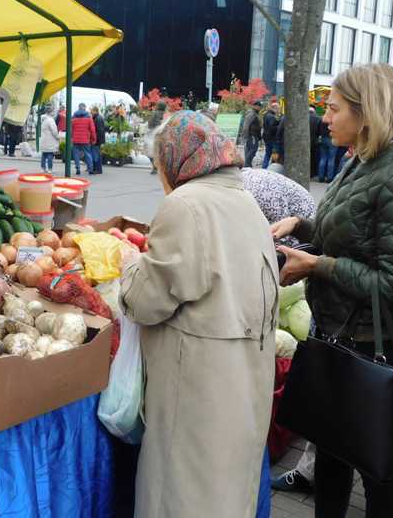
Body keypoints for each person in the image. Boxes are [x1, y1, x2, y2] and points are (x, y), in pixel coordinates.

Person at [273, 63, 393, 518]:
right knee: (332, 461)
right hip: (336, 337)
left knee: (380, 478)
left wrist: (317, 264)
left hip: (372, 348)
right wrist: (302, 225)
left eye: (334, 109)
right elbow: (349, 232)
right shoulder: (361, 158)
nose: (326, 119)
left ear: (366, 111)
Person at [120, 111, 278, 518]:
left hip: (197, 390)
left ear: (174, 158)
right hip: (242, 385)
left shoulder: (186, 205)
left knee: (180, 496)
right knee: (225, 497)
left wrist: (129, 267)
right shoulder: (246, 200)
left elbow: (147, 301)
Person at [70, 102, 95, 176]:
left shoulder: (73, 118)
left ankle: (78, 169)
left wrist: (72, 137)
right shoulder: (89, 118)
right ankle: (90, 169)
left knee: (76, 155)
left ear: (78, 108)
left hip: (76, 140)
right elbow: (92, 130)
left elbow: (71, 130)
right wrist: (93, 139)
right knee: (88, 154)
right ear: (84, 108)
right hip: (85, 140)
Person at [241, 101, 263, 167]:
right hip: (251, 135)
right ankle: (246, 165)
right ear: (255, 106)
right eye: (259, 106)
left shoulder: (254, 113)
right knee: (253, 150)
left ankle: (248, 165)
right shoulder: (251, 114)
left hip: (252, 135)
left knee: (249, 150)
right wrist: (246, 136)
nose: (260, 108)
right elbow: (246, 125)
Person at [38, 103, 59, 174]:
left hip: (44, 139)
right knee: (50, 154)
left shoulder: (43, 119)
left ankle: (42, 168)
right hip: (50, 140)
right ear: (51, 112)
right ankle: (50, 168)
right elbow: (54, 131)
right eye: (53, 111)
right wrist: (57, 137)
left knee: (44, 154)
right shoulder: (50, 120)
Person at [262, 102, 281, 169]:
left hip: (267, 137)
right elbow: (272, 128)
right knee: (273, 153)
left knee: (268, 153)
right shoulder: (271, 116)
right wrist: (279, 126)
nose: (279, 110)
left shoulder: (267, 114)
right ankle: (271, 168)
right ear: (274, 108)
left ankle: (265, 167)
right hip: (271, 138)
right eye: (278, 108)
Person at [90, 105, 106, 175]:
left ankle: (98, 169)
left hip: (97, 140)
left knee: (96, 155)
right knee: (96, 154)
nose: (91, 112)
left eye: (92, 111)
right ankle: (96, 168)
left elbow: (99, 131)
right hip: (98, 139)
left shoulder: (97, 118)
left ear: (95, 111)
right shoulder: (98, 117)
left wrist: (95, 140)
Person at [309, 106, 321, 177]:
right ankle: (313, 173)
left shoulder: (302, 118)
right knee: (314, 157)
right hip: (314, 141)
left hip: (305, 142)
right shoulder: (317, 118)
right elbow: (319, 131)